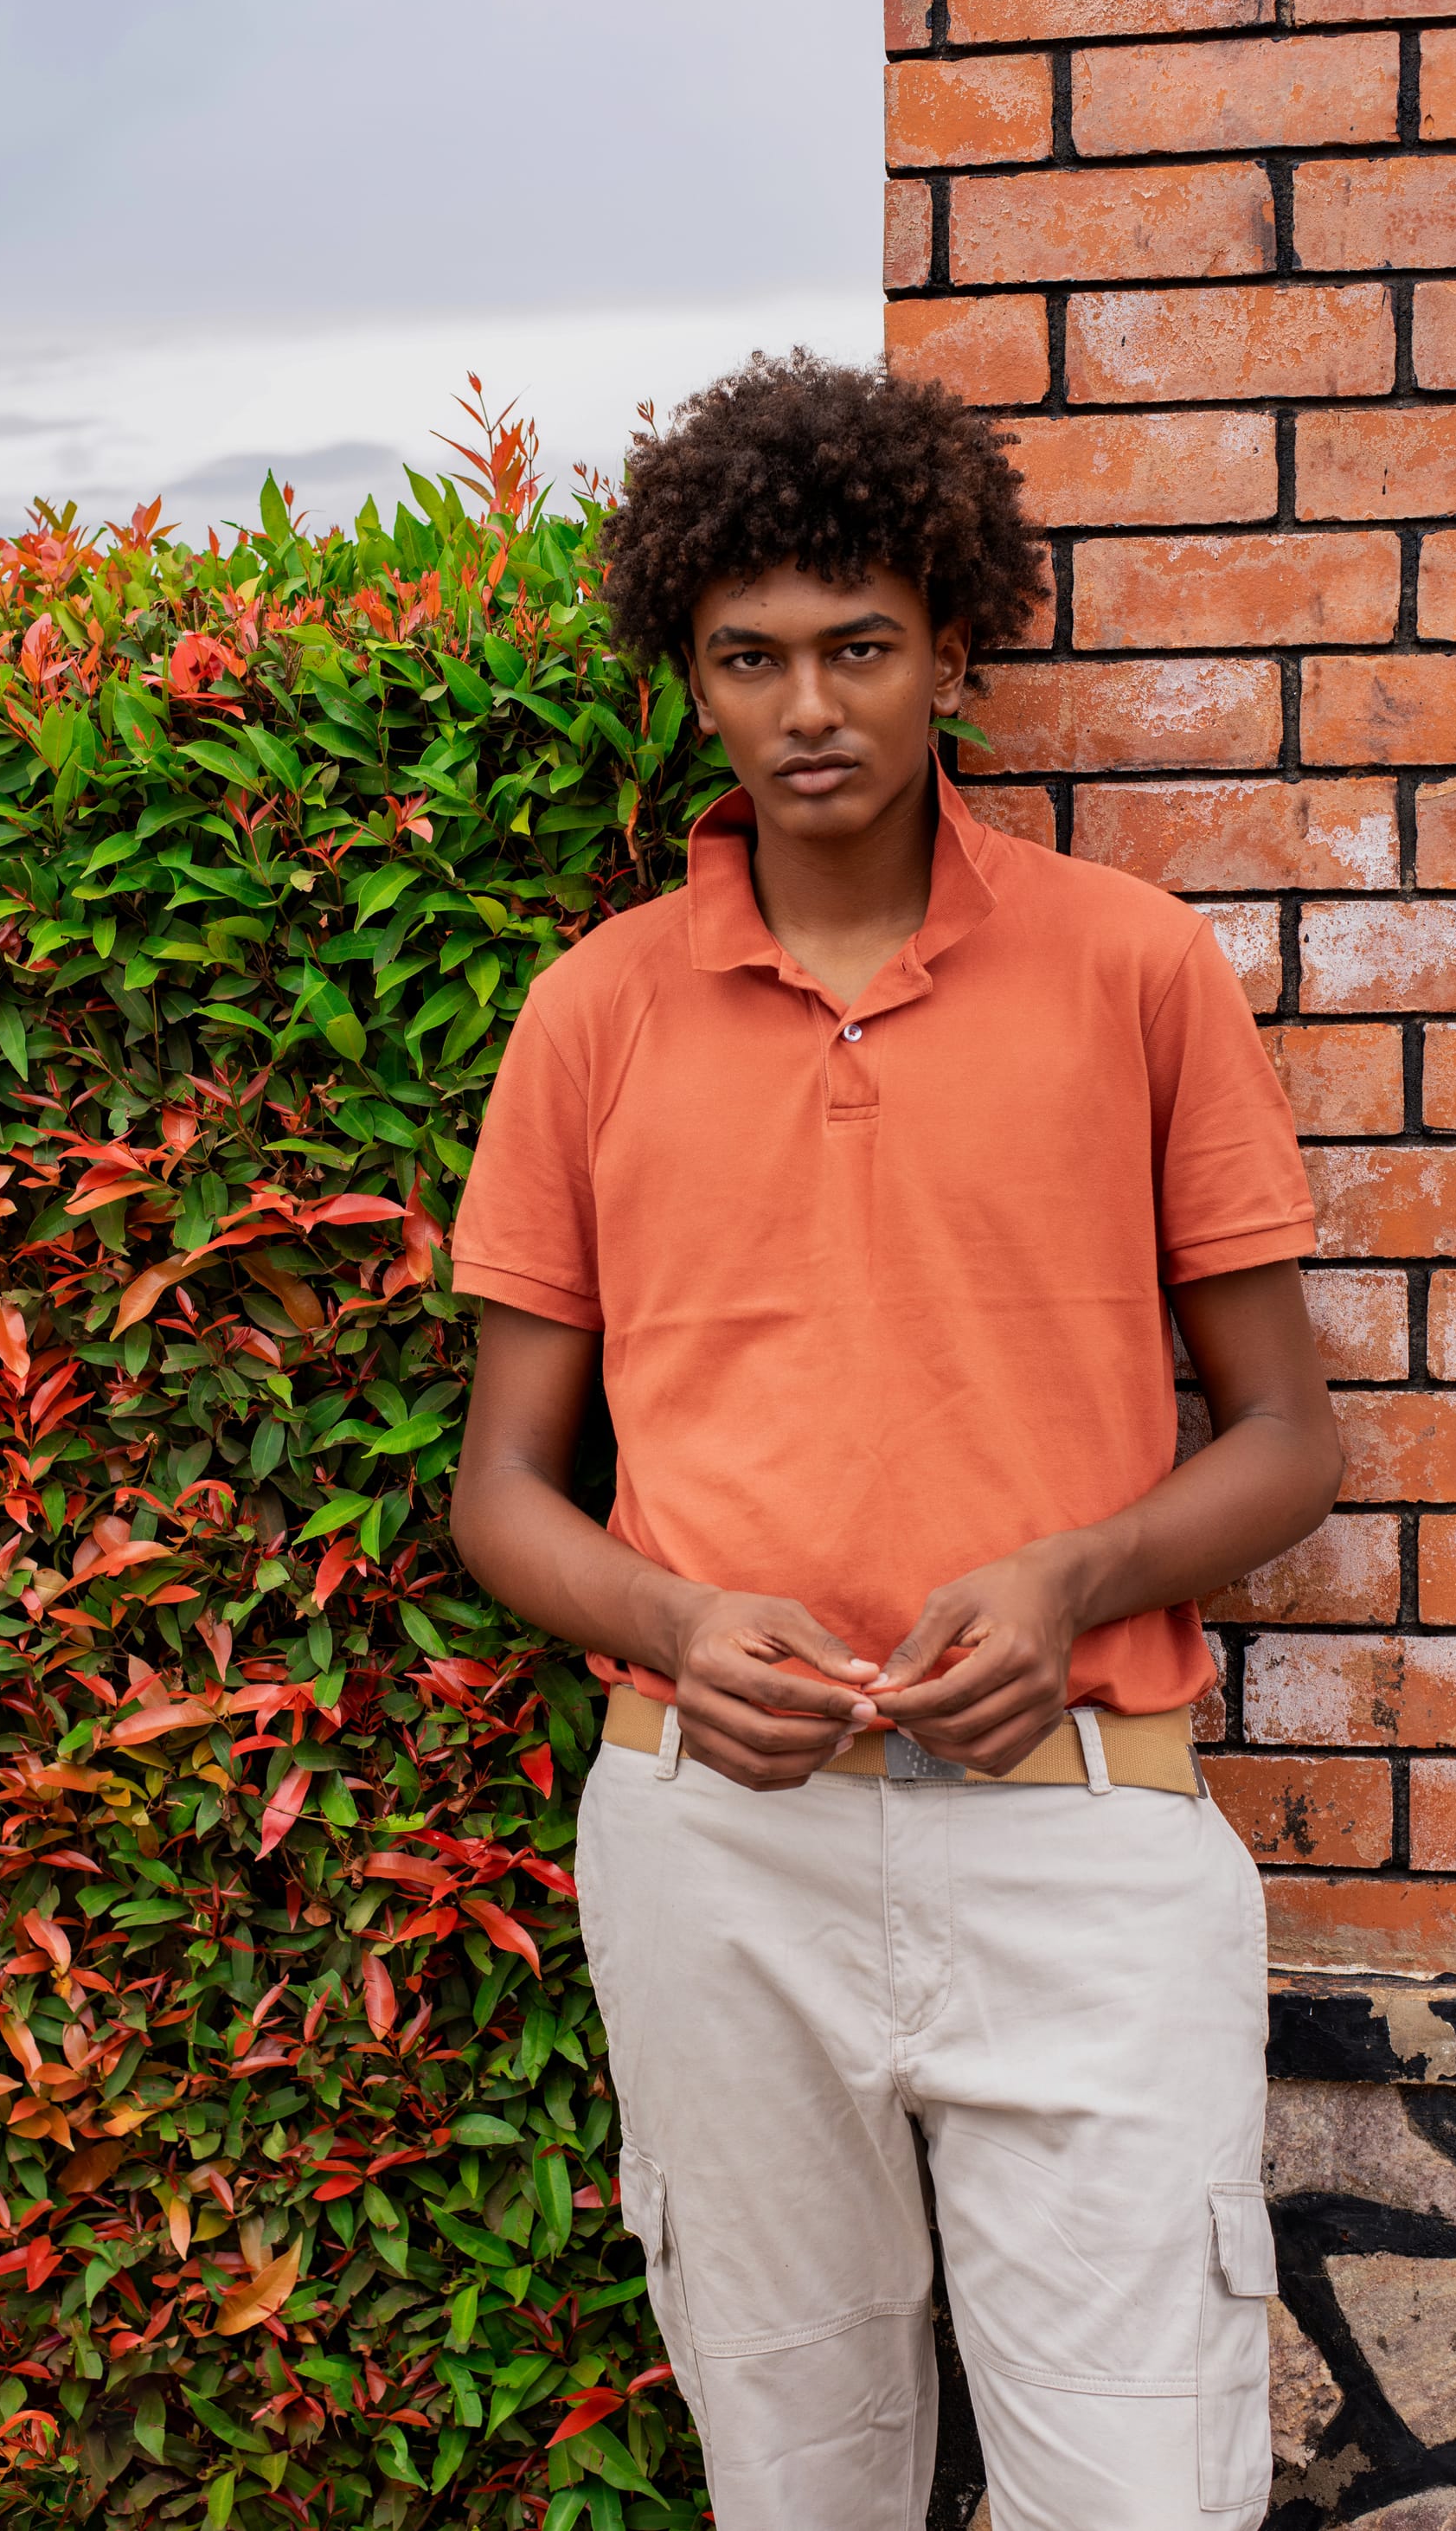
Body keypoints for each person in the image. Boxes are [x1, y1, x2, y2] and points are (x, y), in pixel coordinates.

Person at [447, 352, 1341, 2531]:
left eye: (857, 645)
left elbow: (1285, 1439)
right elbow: (501, 1491)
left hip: (1085, 1833)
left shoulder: (1132, 968)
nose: (807, 706)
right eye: (747, 656)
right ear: (691, 680)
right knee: (801, 2488)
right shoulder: (592, 1012)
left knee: (1142, 2493)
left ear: (953, 650)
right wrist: (673, 1618)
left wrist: (1071, 1577)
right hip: (714, 1843)